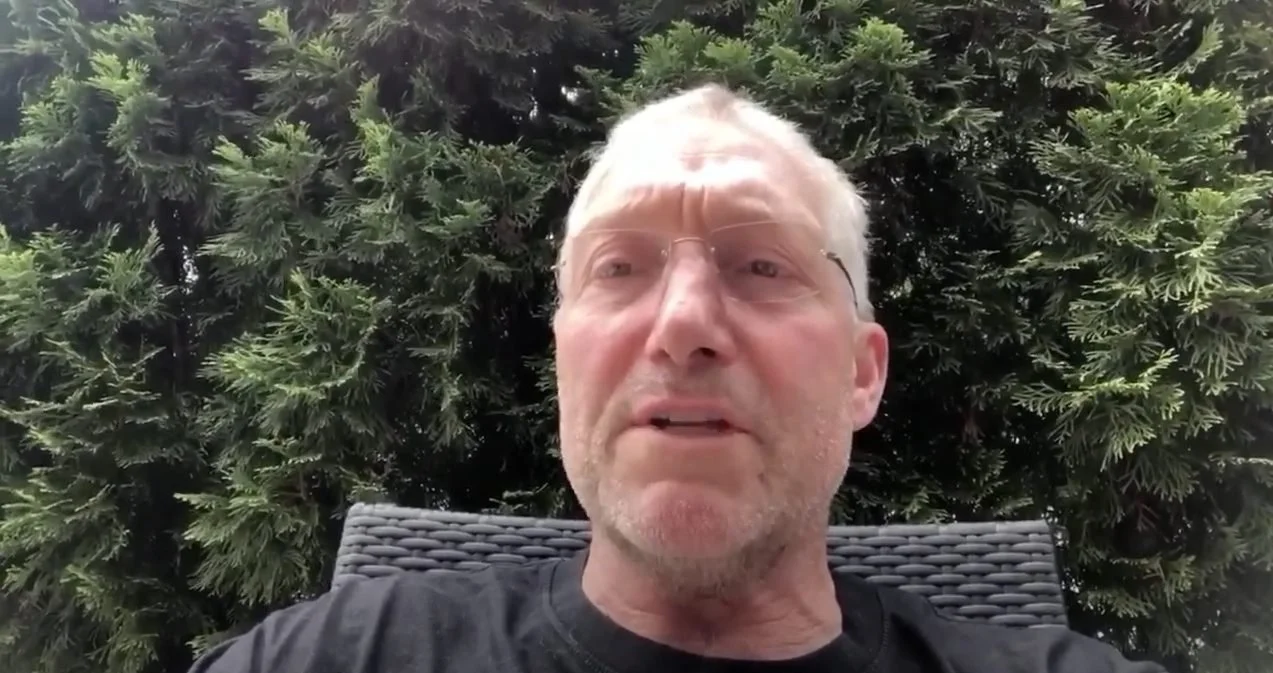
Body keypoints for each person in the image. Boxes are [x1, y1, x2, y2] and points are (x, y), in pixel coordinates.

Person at [189, 84, 1166, 673]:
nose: (684, 324)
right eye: (619, 267)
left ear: (862, 374)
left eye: (762, 266)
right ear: (565, 352)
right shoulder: (331, 658)